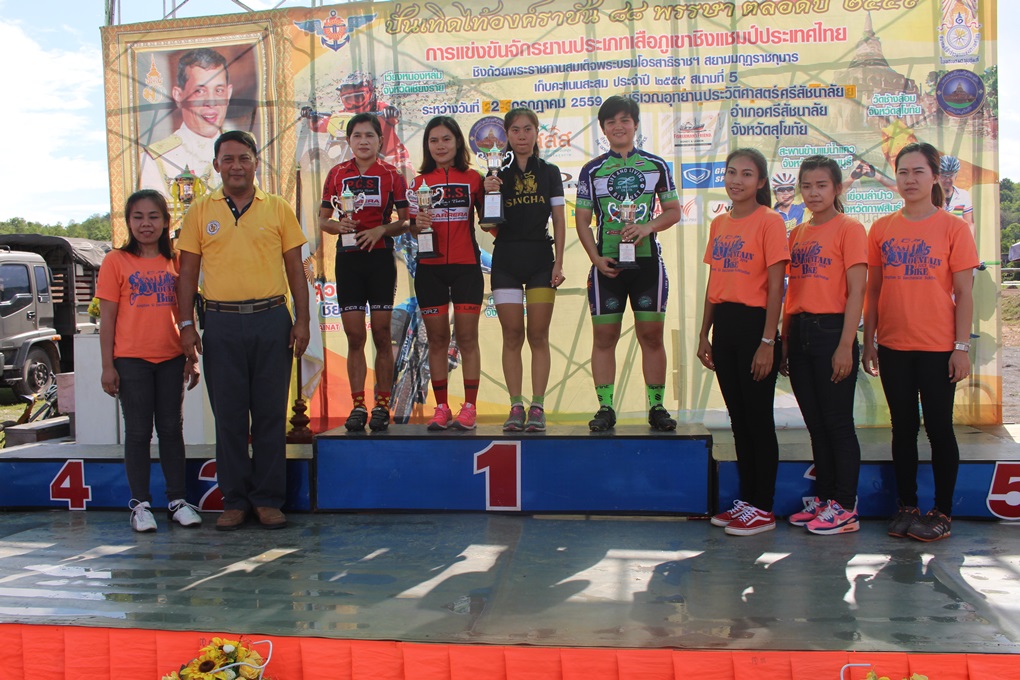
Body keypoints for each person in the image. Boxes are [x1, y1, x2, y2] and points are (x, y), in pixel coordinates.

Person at [176, 130, 310, 531]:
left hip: (271, 319)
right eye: (229, 159)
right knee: (230, 417)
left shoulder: (278, 208)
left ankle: (268, 500)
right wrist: (186, 324)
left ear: (255, 162)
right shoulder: (200, 211)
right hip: (220, 323)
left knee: (270, 414)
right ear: (217, 165)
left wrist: (302, 319)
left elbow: (295, 269)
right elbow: (187, 273)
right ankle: (234, 501)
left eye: (244, 158)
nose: (237, 166)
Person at [862, 142, 978, 542]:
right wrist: (869, 341)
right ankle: (907, 506)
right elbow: (873, 289)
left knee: (939, 430)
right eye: (903, 172)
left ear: (934, 177)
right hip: (893, 346)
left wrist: (961, 348)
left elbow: (964, 294)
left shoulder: (954, 228)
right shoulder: (881, 228)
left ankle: (942, 511)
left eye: (918, 172)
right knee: (903, 428)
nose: (909, 180)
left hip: (938, 349)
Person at [97, 189, 202, 532]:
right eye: (138, 217)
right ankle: (140, 505)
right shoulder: (116, 261)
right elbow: (108, 318)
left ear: (165, 222)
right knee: (139, 432)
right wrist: (108, 365)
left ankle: (177, 501)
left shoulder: (177, 262)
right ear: (128, 222)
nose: (146, 224)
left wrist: (190, 357)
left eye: (153, 217)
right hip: (131, 360)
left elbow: (185, 314)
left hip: (171, 358)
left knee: (171, 430)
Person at [575, 96, 681, 432]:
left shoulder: (656, 165)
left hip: (647, 264)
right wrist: (595, 258)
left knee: (651, 335)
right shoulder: (591, 170)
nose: (618, 127)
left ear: (635, 124)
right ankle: (605, 407)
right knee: (605, 336)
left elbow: (673, 211)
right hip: (607, 264)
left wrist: (647, 227)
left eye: (625, 120)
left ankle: (657, 406)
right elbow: (582, 220)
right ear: (603, 128)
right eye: (611, 122)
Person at [699, 148, 789, 537]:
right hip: (725, 327)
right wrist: (704, 333)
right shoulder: (719, 223)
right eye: (731, 172)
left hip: (756, 328)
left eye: (747, 174)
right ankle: (748, 500)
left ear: (761, 182)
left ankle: (763, 506)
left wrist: (768, 340)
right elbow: (714, 282)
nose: (737, 180)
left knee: (758, 420)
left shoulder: (770, 221)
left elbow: (776, 287)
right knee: (738, 420)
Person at [779, 156, 867, 535]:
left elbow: (858, 291)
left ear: (837, 188)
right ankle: (826, 499)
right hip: (800, 332)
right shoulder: (796, 234)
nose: (813, 193)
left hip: (832, 332)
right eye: (807, 186)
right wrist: (785, 342)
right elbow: (791, 293)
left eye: (821, 185)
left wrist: (846, 344)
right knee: (816, 425)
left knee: (838, 424)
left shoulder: (850, 229)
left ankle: (845, 506)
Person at [319, 113, 409, 432]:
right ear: (349, 141)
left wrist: (381, 229)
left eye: (370, 135)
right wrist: (338, 227)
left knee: (382, 334)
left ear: (380, 141)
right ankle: (358, 405)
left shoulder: (392, 174)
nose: (363, 141)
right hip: (349, 261)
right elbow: (323, 219)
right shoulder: (336, 174)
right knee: (354, 336)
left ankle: (382, 405)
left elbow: (407, 220)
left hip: (380, 260)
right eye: (357, 136)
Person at [482, 108, 566, 432]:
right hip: (506, 261)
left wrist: (559, 261)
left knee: (538, 335)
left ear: (536, 132)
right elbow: (487, 224)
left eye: (527, 129)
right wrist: (489, 192)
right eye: (515, 130)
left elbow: (559, 220)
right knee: (513, 334)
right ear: (506, 134)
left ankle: (538, 407)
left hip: (541, 261)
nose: (521, 135)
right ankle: (516, 405)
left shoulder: (550, 172)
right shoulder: (494, 173)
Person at [408, 116, 485, 430]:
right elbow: (412, 228)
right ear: (427, 146)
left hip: (466, 268)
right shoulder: (418, 183)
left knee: (467, 338)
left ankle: (470, 408)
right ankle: (441, 408)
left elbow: (489, 222)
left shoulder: (475, 179)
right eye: (433, 140)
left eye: (446, 139)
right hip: (430, 270)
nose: (440, 146)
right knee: (437, 339)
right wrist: (417, 225)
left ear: (457, 142)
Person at [139, 48, 233, 199]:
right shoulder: (155, 160)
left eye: (219, 90)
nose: (211, 102)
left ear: (229, 93)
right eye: (200, 91)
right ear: (178, 95)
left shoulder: (246, 149)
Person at [939, 155, 975, 226]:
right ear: (938, 176)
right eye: (944, 176)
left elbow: (969, 224)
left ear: (956, 175)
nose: (947, 180)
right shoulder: (930, 196)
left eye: (950, 176)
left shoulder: (964, 195)